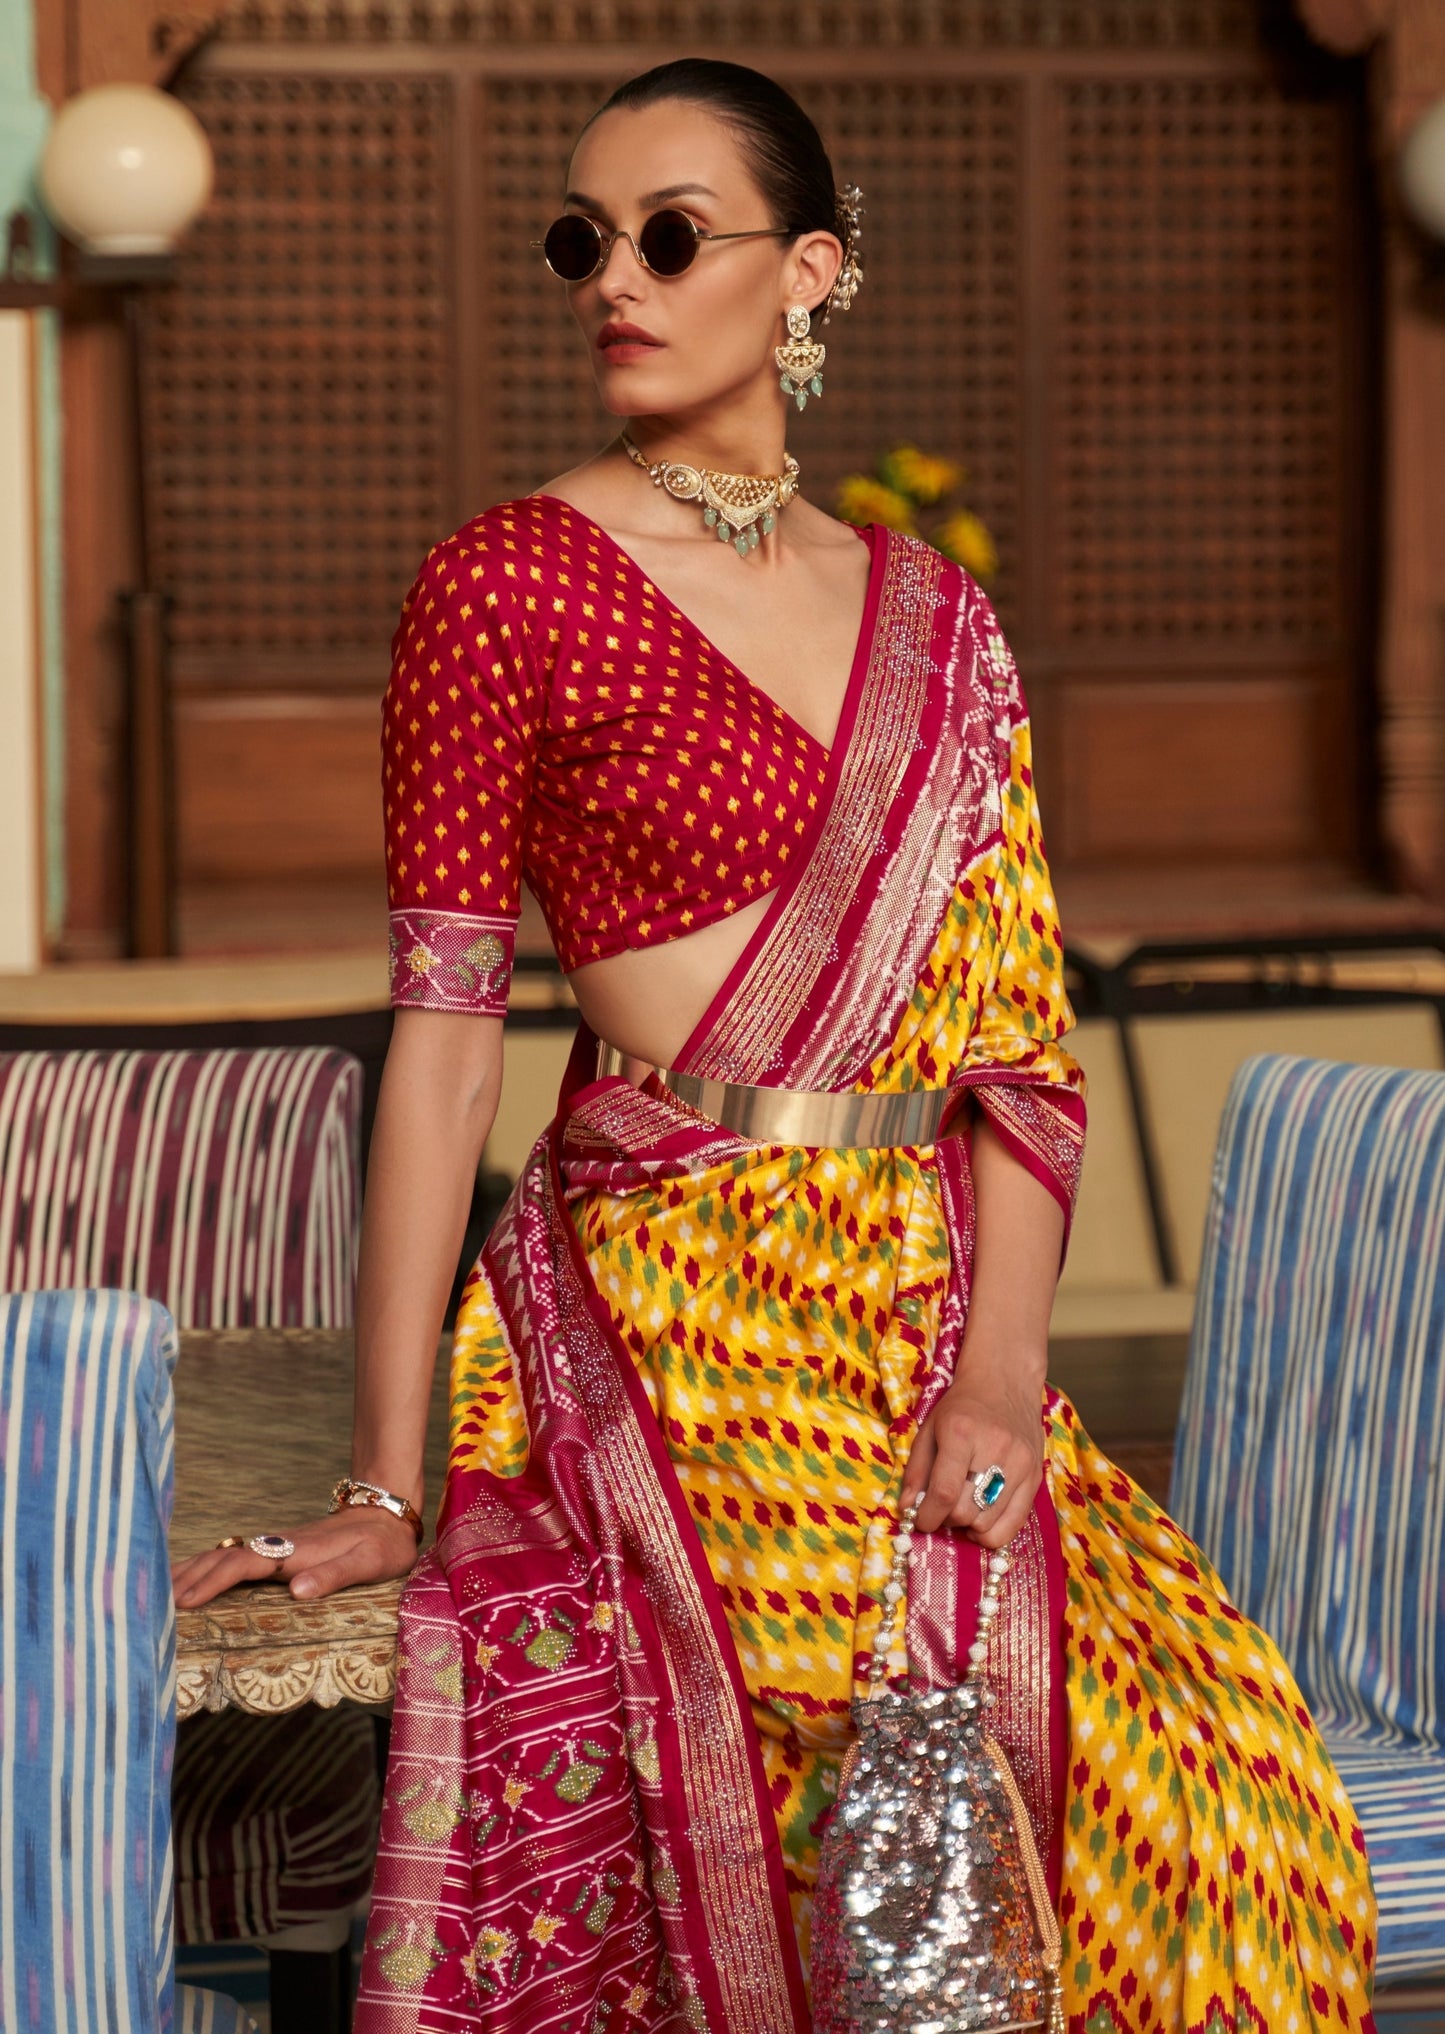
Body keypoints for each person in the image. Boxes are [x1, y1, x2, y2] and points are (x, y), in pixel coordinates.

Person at [173, 56, 1378, 2034]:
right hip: (668, 1292)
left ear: (811, 273)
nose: (613, 281)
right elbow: (450, 1047)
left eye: (671, 235)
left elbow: (1020, 1060)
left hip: (925, 1296)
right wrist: (387, 1485)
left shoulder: (942, 620)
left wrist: (996, 1393)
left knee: (1206, 1777)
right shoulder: (503, 590)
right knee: (840, 1703)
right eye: (584, 241)